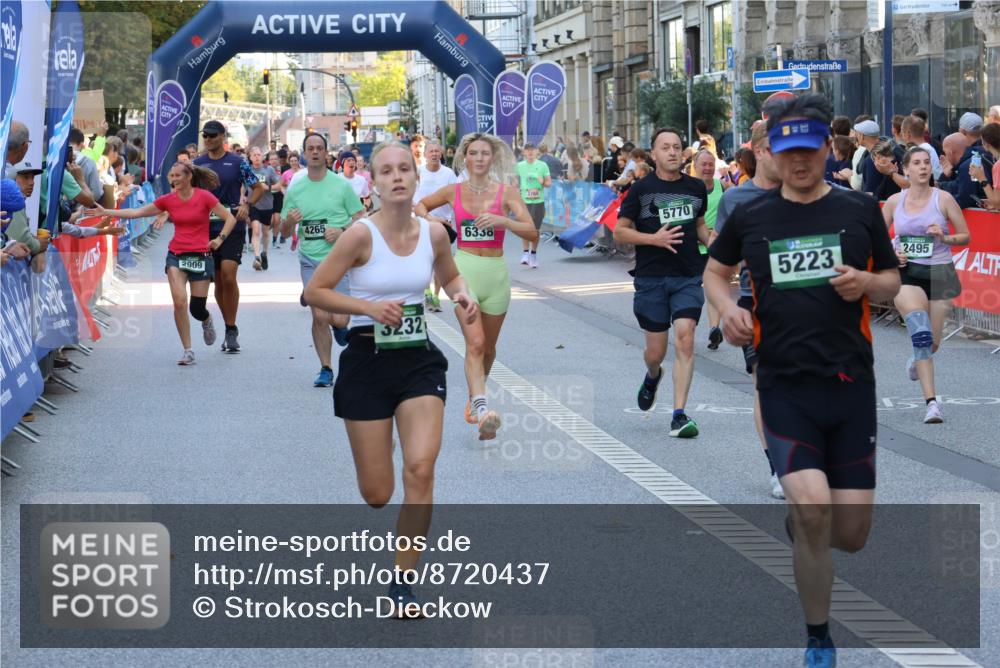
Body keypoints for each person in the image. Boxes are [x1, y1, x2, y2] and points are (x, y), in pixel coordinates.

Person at [703, 94, 901, 668]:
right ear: (772, 152)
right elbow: (715, 274)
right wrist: (728, 310)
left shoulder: (860, 211)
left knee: (852, 533)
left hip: (849, 385)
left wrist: (865, 281)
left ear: (825, 148)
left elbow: (892, 280)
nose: (797, 161)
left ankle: (802, 521)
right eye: (786, 151)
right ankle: (818, 638)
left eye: (807, 150)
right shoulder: (751, 215)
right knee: (815, 511)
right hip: (784, 382)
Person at [303, 141, 477, 616]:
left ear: (416, 179)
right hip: (365, 360)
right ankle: (384, 440)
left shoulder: (435, 233)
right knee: (377, 494)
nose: (397, 177)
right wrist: (365, 307)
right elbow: (313, 291)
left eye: (405, 169)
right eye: (386, 171)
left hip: (418, 359)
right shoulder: (360, 236)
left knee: (420, 470)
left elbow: (450, 275)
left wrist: (463, 295)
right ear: (373, 183)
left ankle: (403, 582)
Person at [414, 133, 537, 440]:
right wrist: (435, 222)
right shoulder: (453, 191)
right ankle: (483, 409)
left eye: (485, 153)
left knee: (489, 348)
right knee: (476, 343)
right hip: (464, 269)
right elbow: (419, 205)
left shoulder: (507, 193)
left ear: (491, 159)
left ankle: (474, 398)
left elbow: (532, 231)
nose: (480, 158)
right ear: (465, 159)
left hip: (496, 274)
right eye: (474, 153)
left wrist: (504, 222)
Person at [613, 127, 711, 438]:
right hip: (651, 278)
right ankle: (653, 375)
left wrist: (718, 244)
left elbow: (699, 227)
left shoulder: (696, 188)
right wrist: (653, 238)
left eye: (676, 147)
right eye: (664, 147)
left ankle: (679, 414)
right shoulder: (641, 189)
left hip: (688, 275)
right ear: (653, 154)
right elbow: (620, 231)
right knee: (655, 352)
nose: (671, 152)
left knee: (685, 338)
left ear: (683, 154)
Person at [86, 162, 237, 365]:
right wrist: (107, 212)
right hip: (176, 254)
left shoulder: (204, 197)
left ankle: (206, 319)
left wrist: (219, 239)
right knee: (179, 301)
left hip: (200, 256)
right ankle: (188, 350)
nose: (173, 179)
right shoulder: (168, 200)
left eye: (177, 175)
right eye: (171, 176)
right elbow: (136, 212)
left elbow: (230, 218)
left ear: (188, 177)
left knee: (196, 308)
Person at [710, 120, 785, 499]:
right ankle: (778, 467)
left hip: (813, 315)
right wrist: (726, 308)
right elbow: (717, 269)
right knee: (766, 386)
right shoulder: (736, 200)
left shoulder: (816, 195)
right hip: (757, 309)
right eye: (776, 145)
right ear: (757, 151)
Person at [882, 146, 970, 423]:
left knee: (931, 344)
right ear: (906, 169)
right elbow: (875, 236)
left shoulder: (943, 199)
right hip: (907, 273)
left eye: (926, 163)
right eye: (916, 163)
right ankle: (932, 403)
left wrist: (943, 238)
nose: (922, 167)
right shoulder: (895, 201)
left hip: (940, 274)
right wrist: (890, 253)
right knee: (920, 334)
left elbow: (965, 236)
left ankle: (916, 362)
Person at [281, 132, 364, 387]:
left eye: (319, 148)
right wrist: (290, 223)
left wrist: (342, 232)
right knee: (319, 316)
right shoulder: (296, 188)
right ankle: (326, 368)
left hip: (339, 259)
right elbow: (283, 233)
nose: (315, 152)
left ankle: (340, 328)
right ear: (305, 154)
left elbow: (361, 217)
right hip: (310, 259)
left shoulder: (340, 185)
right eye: (310, 148)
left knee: (339, 319)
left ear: (326, 154)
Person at [192, 120, 265, 353]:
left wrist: (247, 205)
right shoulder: (197, 164)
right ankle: (227, 325)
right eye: (205, 135)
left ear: (223, 137)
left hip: (231, 224)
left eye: (213, 135)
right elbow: (186, 191)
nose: (208, 138)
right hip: (205, 228)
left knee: (228, 274)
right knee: (219, 280)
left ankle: (232, 329)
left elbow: (259, 188)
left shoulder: (238, 162)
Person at [414, 141, 458, 312]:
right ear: (425, 155)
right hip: (421, 221)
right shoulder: (418, 173)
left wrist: (455, 220)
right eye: (430, 151)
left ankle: (436, 296)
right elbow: (413, 199)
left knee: (440, 262)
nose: (434, 154)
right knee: (425, 261)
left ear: (441, 154)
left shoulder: (448, 174)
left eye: (437, 151)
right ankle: (427, 291)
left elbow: (455, 198)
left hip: (444, 224)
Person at [693, 150, 725, 350]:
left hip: (714, 248)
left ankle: (715, 329)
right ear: (695, 166)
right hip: (692, 250)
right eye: (703, 164)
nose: (707, 168)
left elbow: (730, 214)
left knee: (714, 290)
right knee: (692, 293)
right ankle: (687, 327)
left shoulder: (723, 186)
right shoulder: (687, 189)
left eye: (710, 164)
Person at [515, 143, 552, 268]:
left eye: (532, 151)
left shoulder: (542, 165)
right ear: (524, 152)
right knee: (525, 228)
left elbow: (549, 183)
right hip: (524, 201)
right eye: (528, 151)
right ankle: (525, 253)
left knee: (535, 230)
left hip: (538, 202)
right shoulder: (519, 166)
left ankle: (533, 254)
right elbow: (513, 181)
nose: (530, 153)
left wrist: (543, 182)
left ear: (537, 152)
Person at [247, 147, 279, 271]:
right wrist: (242, 198)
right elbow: (243, 186)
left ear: (262, 157)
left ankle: (264, 253)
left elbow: (278, 185)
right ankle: (256, 257)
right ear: (250, 157)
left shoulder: (269, 170)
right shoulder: (247, 170)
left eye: (259, 155)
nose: (256, 157)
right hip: (253, 204)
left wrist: (268, 187)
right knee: (255, 230)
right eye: (254, 155)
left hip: (267, 205)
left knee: (265, 232)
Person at [900, 115, 941, 181]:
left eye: (902, 133)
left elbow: (908, 183)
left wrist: (892, 173)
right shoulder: (930, 149)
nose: (902, 137)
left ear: (908, 133)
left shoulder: (914, 152)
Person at [973, 121, 1000, 210]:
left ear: (986, 144)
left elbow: (998, 204)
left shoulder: (998, 166)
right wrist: (993, 202)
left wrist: (981, 178)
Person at [267, 150, 285, 246]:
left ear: (278, 160)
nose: (273, 161)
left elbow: (284, 183)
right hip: (268, 197)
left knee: (277, 220)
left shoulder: (282, 170)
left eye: (275, 159)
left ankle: (274, 240)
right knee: (271, 220)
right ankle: (265, 233)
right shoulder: (265, 170)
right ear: (269, 161)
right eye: (271, 159)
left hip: (278, 196)